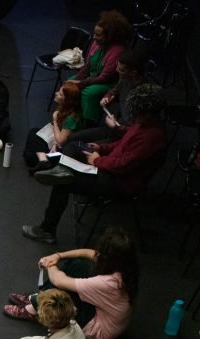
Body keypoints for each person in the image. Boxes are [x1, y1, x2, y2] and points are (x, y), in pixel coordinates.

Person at [22, 83, 167, 245]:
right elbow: (122, 144)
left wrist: (97, 160)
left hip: (119, 182)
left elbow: (124, 164)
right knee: (74, 145)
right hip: (110, 166)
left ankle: (47, 230)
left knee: (63, 184)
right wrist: (101, 148)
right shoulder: (142, 124)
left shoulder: (152, 137)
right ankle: (60, 169)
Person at [3, 226, 139, 339]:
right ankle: (38, 300)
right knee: (78, 264)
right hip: (103, 314)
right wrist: (58, 255)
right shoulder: (126, 267)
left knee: (66, 291)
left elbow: (58, 281)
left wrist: (49, 264)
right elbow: (88, 253)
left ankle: (33, 308)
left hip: (96, 332)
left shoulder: (109, 284)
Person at [65, 48, 150, 152]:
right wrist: (107, 97)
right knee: (71, 138)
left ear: (133, 73)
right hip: (114, 127)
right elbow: (114, 91)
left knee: (76, 148)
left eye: (122, 69)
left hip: (124, 137)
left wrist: (117, 128)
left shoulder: (144, 97)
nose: (117, 70)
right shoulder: (124, 79)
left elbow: (139, 132)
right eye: (117, 67)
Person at [67, 9, 132, 125]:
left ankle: (87, 124)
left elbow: (104, 78)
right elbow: (87, 66)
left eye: (98, 35)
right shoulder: (96, 43)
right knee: (69, 84)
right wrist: (77, 78)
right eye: (94, 33)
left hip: (107, 83)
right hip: (93, 77)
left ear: (109, 36)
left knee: (88, 93)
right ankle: (70, 117)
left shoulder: (117, 51)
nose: (94, 37)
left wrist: (82, 83)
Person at [22, 82, 82, 173]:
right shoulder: (63, 108)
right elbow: (57, 136)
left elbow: (61, 141)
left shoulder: (71, 118)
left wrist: (55, 120)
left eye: (60, 94)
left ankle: (43, 161)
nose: (56, 93)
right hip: (55, 146)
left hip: (63, 151)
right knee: (34, 133)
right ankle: (42, 160)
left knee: (30, 152)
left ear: (67, 100)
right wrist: (54, 144)